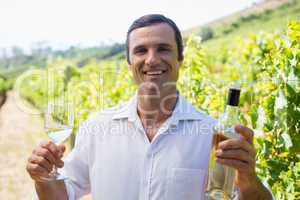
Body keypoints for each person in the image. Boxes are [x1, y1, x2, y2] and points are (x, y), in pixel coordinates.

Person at [26, 14, 273, 200]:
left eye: (163, 49)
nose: (152, 59)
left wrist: (249, 180)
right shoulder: (96, 128)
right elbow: (63, 194)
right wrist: (43, 177)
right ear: (129, 62)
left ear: (180, 59)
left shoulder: (214, 135)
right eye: (141, 51)